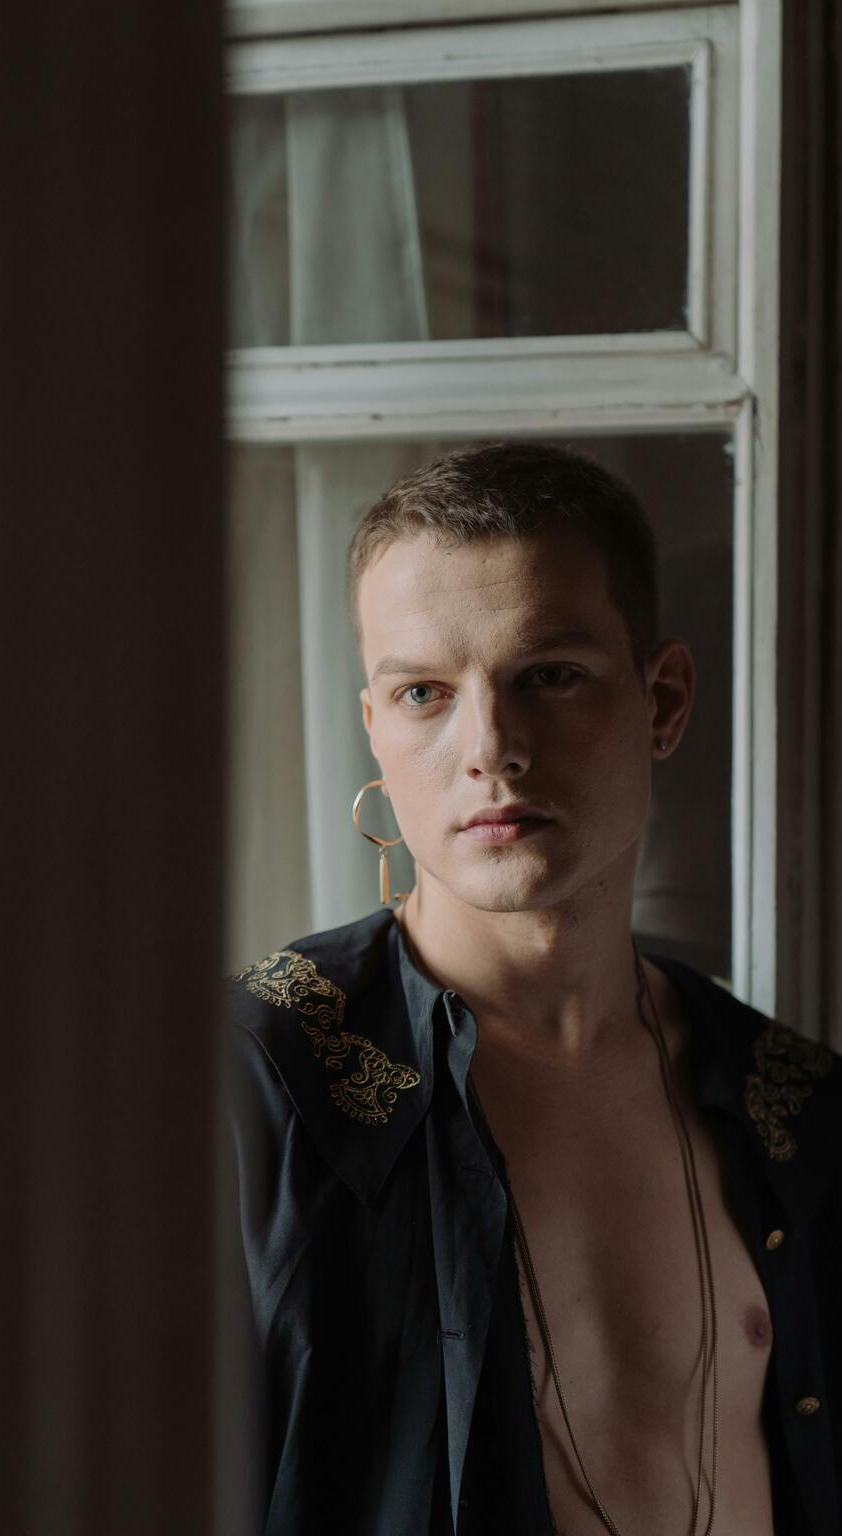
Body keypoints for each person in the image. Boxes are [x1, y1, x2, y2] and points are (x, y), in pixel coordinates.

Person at [226, 441, 841, 1536]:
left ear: (662, 700)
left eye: (547, 675)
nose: (492, 749)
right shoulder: (253, 1079)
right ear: (375, 731)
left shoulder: (791, 1102)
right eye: (423, 692)